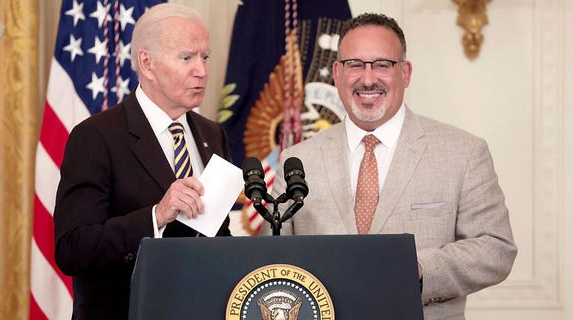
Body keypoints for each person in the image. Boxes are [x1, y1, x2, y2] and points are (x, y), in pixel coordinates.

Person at [260, 13, 516, 320]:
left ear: (405, 73)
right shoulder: (296, 161)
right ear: (338, 73)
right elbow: (272, 262)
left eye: (382, 64)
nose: (368, 79)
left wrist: (418, 268)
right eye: (355, 64)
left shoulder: (464, 152)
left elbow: (495, 249)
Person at [53, 3, 231, 319]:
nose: (201, 70)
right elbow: (72, 249)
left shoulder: (212, 134)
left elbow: (215, 232)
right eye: (187, 58)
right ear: (147, 63)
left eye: (205, 57)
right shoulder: (95, 136)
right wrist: (156, 216)